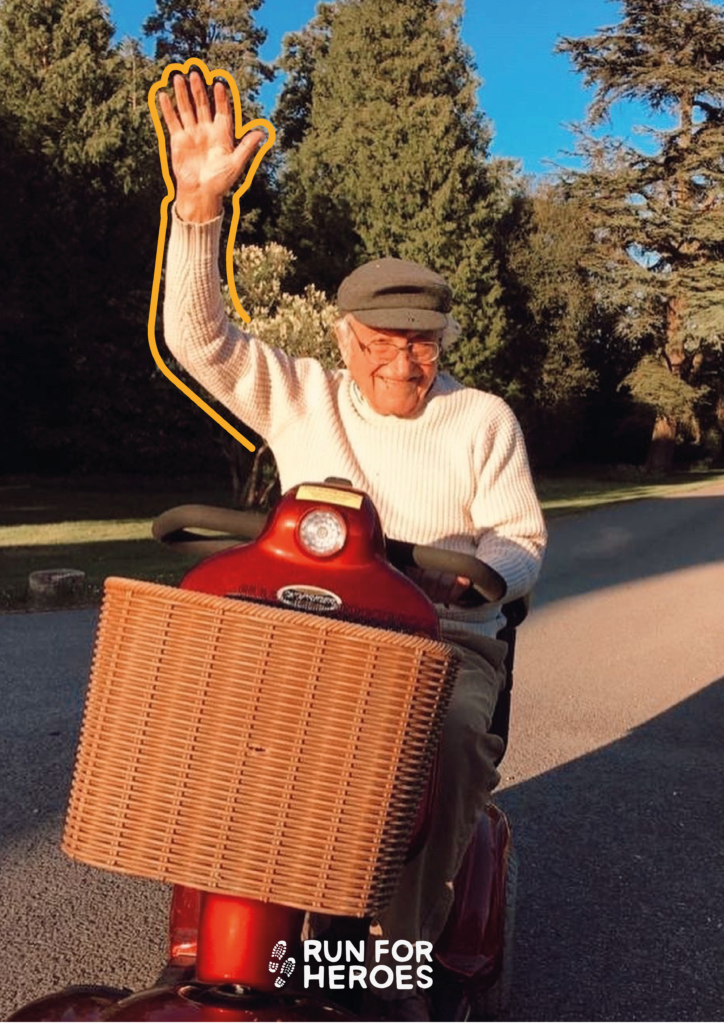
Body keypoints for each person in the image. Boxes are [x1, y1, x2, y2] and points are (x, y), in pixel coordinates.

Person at [158, 71, 547, 1023]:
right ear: (344, 336)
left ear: (443, 341)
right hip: (302, 632)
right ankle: (219, 920)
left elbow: (521, 536)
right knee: (203, 713)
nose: (400, 362)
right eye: (379, 340)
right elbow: (198, 339)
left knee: (454, 736)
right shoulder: (298, 391)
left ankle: (398, 958)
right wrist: (201, 212)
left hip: (435, 641)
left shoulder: (480, 417)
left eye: (422, 343)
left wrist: (480, 574)